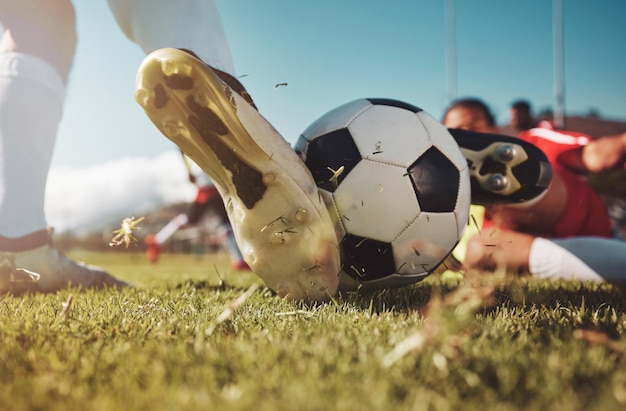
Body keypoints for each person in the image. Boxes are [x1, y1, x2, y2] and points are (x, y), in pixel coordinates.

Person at [442, 97, 626, 284]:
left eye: (472, 128)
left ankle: (521, 187)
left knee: (530, 172)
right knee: (480, 247)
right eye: (456, 134)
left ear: (494, 130)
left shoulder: (535, 142)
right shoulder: (462, 210)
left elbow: (593, 155)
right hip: (533, 246)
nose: (465, 135)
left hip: (592, 225)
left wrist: (622, 143)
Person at [144, 152, 250, 271]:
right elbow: (182, 147)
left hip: (207, 179)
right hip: (209, 180)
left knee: (197, 219)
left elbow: (182, 149)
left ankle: (158, 241)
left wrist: (189, 170)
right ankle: (239, 260)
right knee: (224, 221)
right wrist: (189, 170)